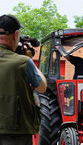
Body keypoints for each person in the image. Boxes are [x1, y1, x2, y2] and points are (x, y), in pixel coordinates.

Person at [0, 14, 47, 145]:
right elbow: (42, 87)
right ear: (15, 35)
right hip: (16, 133)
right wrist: (30, 60)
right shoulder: (23, 62)